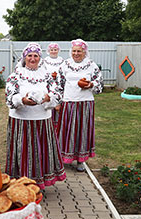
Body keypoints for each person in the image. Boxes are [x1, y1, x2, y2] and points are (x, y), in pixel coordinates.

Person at [5, 42, 66, 189]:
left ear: (40, 58)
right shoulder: (15, 76)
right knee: (22, 151)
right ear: (24, 58)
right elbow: (9, 97)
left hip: (41, 120)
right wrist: (22, 100)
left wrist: (48, 98)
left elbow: (58, 93)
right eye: (30, 56)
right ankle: (21, 183)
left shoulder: (47, 76)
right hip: (21, 121)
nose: (32, 59)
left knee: (39, 152)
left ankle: (38, 183)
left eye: (36, 56)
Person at [55, 39, 103, 172]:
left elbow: (99, 83)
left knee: (83, 131)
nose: (76, 53)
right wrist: (57, 102)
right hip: (68, 102)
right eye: (74, 51)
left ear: (84, 52)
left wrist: (91, 84)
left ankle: (81, 160)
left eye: (79, 51)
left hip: (85, 103)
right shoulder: (65, 65)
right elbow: (58, 84)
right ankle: (63, 158)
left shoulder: (91, 66)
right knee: (65, 131)